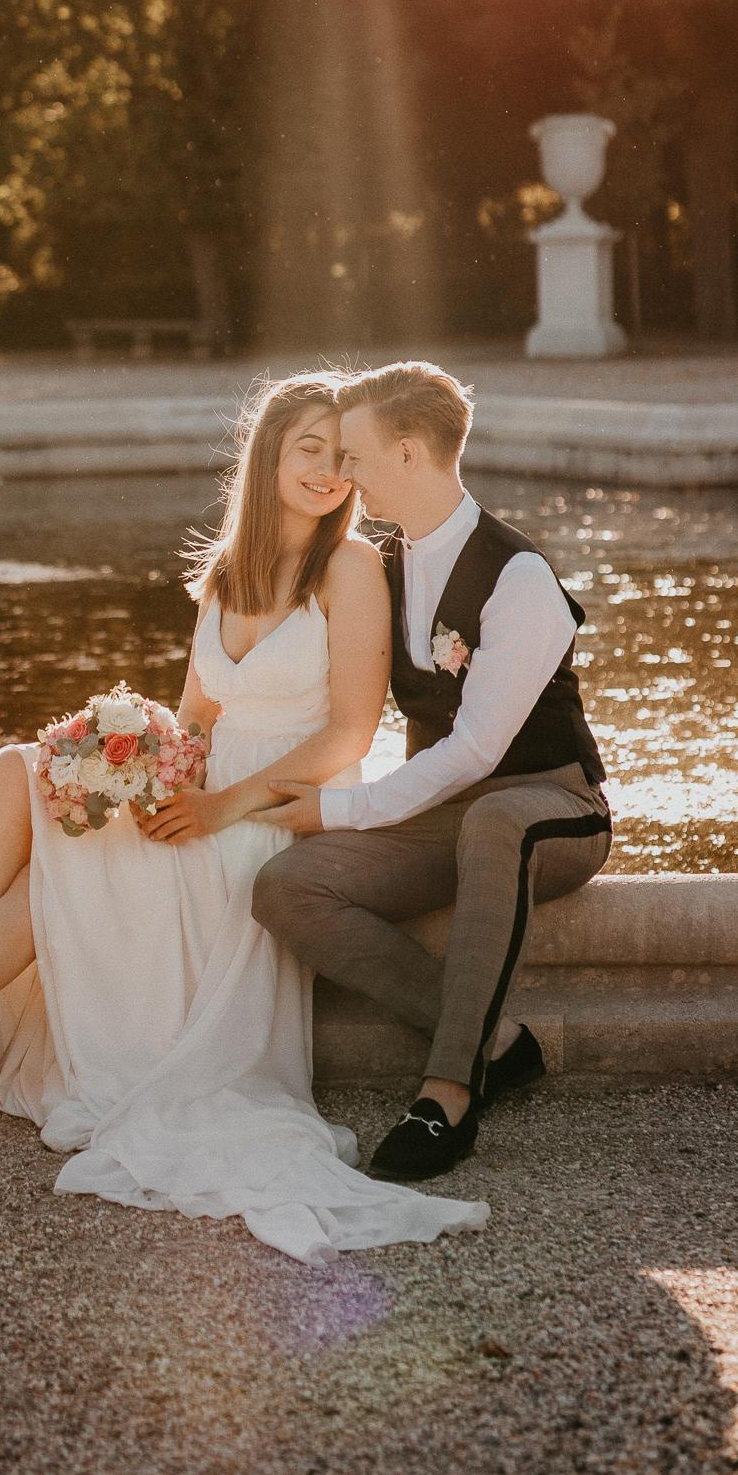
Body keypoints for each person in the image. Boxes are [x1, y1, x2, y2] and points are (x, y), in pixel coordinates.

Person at [0, 374, 488, 1262]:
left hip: (265, 814)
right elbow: (194, 722)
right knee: (18, 771)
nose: (327, 472)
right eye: (308, 447)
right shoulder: (226, 576)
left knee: (53, 871)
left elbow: (349, 732)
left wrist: (218, 805)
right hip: (198, 795)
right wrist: (124, 762)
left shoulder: (347, 569)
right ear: (266, 450)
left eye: (342, 457)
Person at [255, 360, 611, 1183]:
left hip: (552, 804)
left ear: (408, 453)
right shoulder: (381, 566)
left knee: (495, 820)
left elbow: (479, 752)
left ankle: (446, 1096)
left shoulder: (518, 575)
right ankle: (499, 1043)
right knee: (284, 888)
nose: (343, 474)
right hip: (449, 811)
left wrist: (342, 808)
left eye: (354, 456)